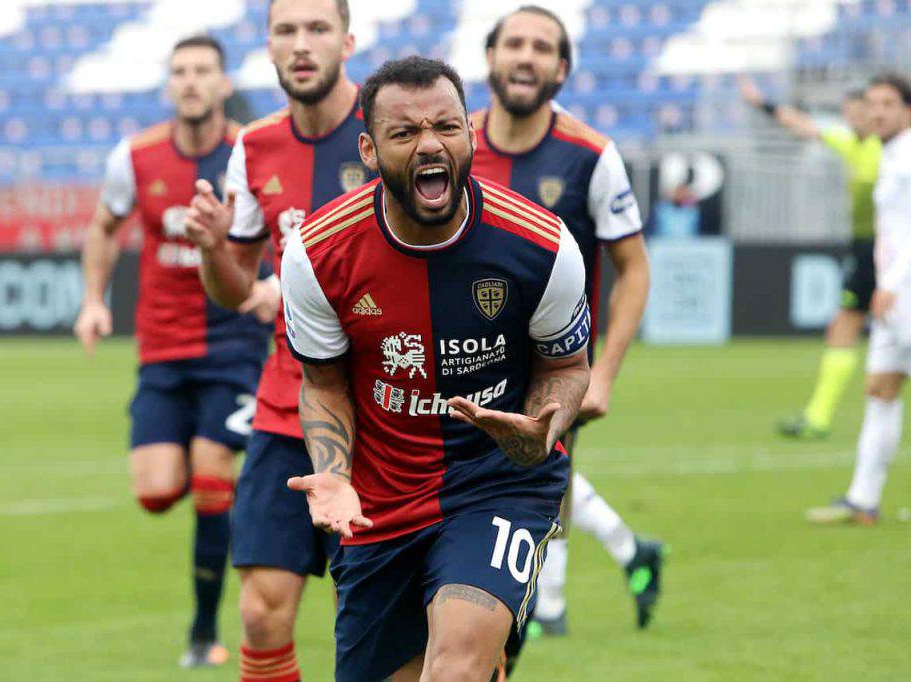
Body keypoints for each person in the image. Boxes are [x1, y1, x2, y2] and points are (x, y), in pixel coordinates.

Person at [281, 56, 591, 682]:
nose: (430, 144)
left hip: (495, 480)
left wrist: (542, 427)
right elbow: (323, 384)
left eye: (446, 127)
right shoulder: (317, 253)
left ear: (469, 135)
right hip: (380, 501)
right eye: (404, 133)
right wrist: (334, 476)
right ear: (369, 149)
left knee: (454, 668)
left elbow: (566, 366)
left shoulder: (542, 245)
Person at [182, 1, 372, 680]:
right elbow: (234, 289)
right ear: (266, 47)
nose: (301, 44)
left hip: (383, 414)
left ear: (348, 40)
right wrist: (211, 250)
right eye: (286, 31)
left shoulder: (392, 129)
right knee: (261, 612)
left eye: (317, 28)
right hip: (286, 402)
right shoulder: (253, 145)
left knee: (375, 627)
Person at [72, 36, 275, 668]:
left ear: (221, 84)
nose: (190, 82)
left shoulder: (252, 150)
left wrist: (273, 285)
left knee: (213, 477)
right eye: (180, 72)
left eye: (202, 72)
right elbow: (104, 227)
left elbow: (293, 219)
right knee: (158, 491)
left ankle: (201, 634)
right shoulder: (135, 157)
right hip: (162, 348)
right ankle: (207, 466)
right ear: (168, 86)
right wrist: (93, 301)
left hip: (235, 342)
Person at [470, 6, 662, 648]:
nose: (526, 56)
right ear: (490, 56)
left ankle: (540, 609)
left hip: (551, 379)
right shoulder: (454, 142)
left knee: (529, 515)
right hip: (459, 367)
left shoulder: (589, 156)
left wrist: (601, 375)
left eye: (542, 47)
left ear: (563, 68)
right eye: (514, 43)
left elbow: (633, 270)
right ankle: (607, 564)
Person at [806, 74, 911, 531]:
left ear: (909, 110)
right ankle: (863, 500)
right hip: (896, 296)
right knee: (880, 388)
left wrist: (895, 280)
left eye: (888, 104)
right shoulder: (891, 154)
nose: (878, 112)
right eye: (872, 104)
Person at [739, 77, 884, 440]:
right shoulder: (850, 141)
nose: (851, 120)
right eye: (848, 114)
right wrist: (763, 104)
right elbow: (803, 124)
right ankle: (818, 417)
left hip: (887, 249)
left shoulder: (892, 152)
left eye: (857, 113)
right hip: (866, 246)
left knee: (856, 327)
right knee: (851, 327)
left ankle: (819, 417)